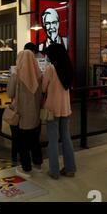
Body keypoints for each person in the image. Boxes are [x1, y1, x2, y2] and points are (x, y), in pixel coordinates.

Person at [43, 44, 76, 179]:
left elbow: (43, 88)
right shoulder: (68, 67)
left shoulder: (51, 68)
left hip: (53, 109)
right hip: (65, 108)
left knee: (53, 140)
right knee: (66, 138)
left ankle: (54, 171)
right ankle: (70, 169)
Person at [7, 50, 43, 177]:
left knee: (22, 143)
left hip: (21, 115)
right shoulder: (39, 74)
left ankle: (26, 168)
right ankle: (38, 164)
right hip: (36, 114)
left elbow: (10, 94)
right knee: (35, 140)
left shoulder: (16, 75)